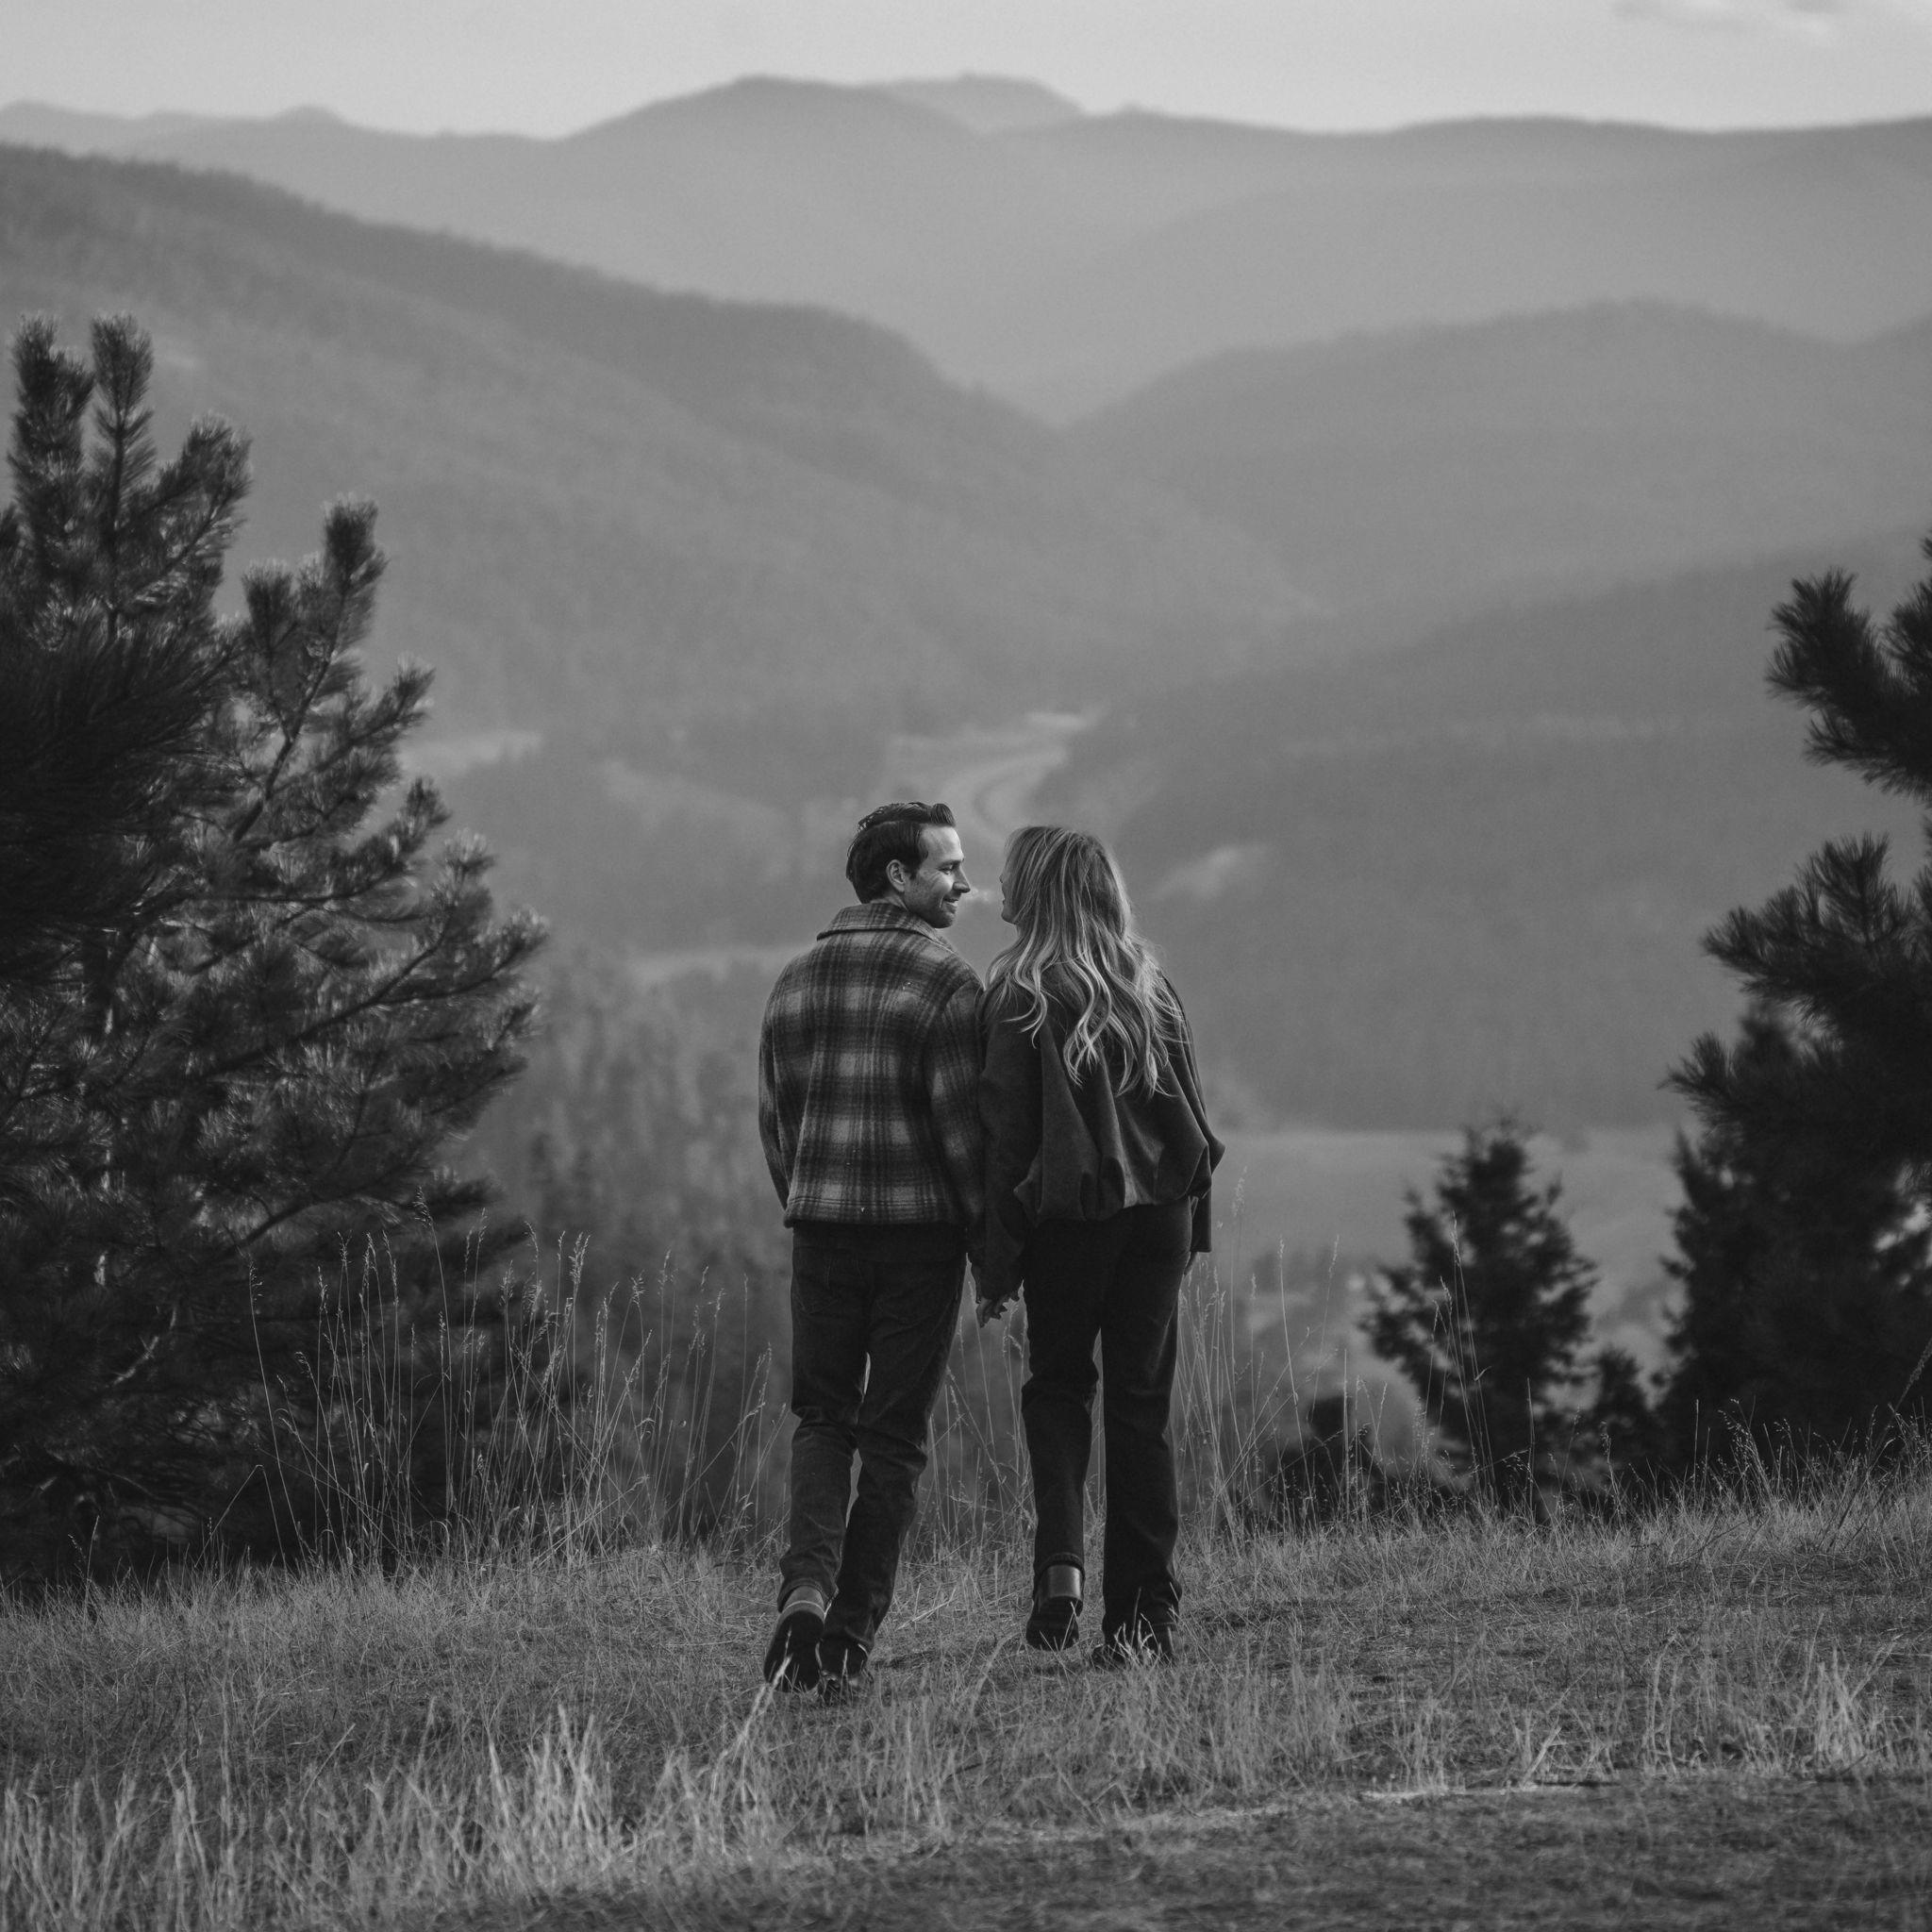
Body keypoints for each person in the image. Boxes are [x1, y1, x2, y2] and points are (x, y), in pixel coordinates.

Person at [976, 824, 1223, 1665]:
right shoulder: (1149, 985)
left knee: (1057, 1388)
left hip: (1071, 1221)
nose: (997, 888)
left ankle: (1061, 1569)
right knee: (1141, 1408)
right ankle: (1145, 1619)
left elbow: (1006, 1145)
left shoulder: (1018, 995)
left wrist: (996, 1266)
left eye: (1010, 875)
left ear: (1036, 889)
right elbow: (1192, 1122)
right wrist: (1192, 1232)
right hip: (1160, 1220)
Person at [757, 800, 981, 1700]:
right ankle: (847, 1641)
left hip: (821, 1233)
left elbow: (777, 1125)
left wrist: (809, 1198)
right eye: (948, 868)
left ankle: (804, 1591)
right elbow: (964, 1140)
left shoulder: (794, 980)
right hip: (919, 1242)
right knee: (892, 1441)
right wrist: (993, 1252)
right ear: (898, 876)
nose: (964, 884)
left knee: (823, 1420)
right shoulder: (948, 983)